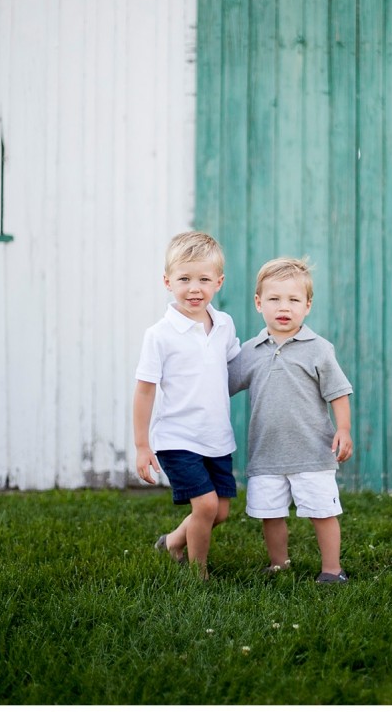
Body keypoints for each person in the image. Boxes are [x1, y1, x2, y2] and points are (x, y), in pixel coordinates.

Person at [228, 257, 353, 584]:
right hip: (266, 454)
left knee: (322, 512)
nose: (284, 307)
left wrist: (343, 428)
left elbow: (338, 393)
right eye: (274, 299)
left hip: (312, 452)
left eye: (294, 300)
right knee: (271, 514)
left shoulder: (318, 349)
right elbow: (223, 385)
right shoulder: (251, 351)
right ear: (259, 303)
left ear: (307, 305)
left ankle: (332, 569)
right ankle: (279, 564)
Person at [133, 231, 240, 578]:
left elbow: (236, 368)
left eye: (204, 279)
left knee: (219, 512)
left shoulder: (223, 325)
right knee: (206, 505)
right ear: (167, 281)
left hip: (217, 436)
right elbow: (145, 390)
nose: (194, 288)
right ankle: (199, 574)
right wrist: (141, 445)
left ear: (219, 282)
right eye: (184, 279)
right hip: (177, 437)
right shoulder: (160, 335)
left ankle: (172, 542)